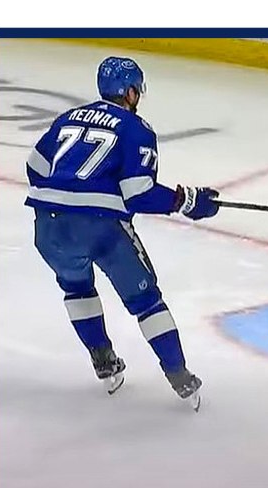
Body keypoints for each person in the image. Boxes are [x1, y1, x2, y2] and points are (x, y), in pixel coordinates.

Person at [24, 56, 220, 410]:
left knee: (76, 288)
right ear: (130, 92)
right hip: (100, 227)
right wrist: (187, 201)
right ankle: (178, 374)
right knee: (146, 301)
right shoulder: (135, 128)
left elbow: (35, 167)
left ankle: (104, 362)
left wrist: (67, 195)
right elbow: (139, 193)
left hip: (47, 224)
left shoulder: (67, 118)